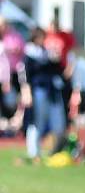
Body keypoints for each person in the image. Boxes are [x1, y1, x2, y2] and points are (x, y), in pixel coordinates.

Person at [20, 27, 67, 160]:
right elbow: (25, 75)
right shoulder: (29, 54)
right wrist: (26, 91)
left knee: (58, 121)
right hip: (38, 91)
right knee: (37, 121)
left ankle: (57, 150)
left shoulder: (46, 53)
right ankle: (34, 152)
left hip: (52, 90)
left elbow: (57, 70)